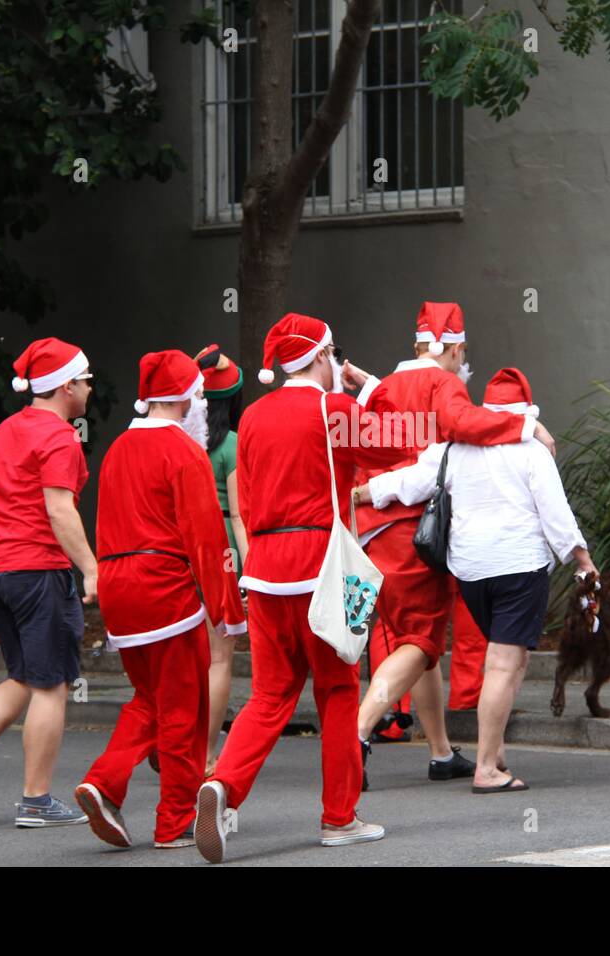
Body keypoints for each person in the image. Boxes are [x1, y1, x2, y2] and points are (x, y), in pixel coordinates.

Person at [194, 312, 406, 863]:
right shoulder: (334, 408)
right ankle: (340, 818)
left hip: (264, 566)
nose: (337, 363)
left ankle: (224, 785)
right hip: (324, 563)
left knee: (269, 694)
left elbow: (248, 495)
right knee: (337, 691)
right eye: (334, 354)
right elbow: (399, 443)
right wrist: (372, 388)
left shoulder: (257, 417)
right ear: (319, 357)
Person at [362, 368, 597, 793]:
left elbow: (409, 482)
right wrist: (581, 559)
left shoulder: (455, 448)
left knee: (509, 662)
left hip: (471, 573)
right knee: (504, 665)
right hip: (518, 568)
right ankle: (487, 767)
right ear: (526, 411)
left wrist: (361, 492)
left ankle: (495, 750)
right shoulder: (531, 450)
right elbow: (555, 513)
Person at [353, 301, 554, 788]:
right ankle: (353, 734)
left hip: (371, 525)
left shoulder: (379, 387)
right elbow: (465, 426)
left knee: (418, 642)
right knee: (421, 642)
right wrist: (527, 427)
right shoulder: (444, 383)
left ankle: (442, 751)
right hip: (415, 529)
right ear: (456, 348)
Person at [75, 350, 246, 848]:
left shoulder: (119, 449)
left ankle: (104, 782)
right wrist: (227, 609)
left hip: (119, 587)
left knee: (148, 698)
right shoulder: (185, 452)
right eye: (197, 395)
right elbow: (206, 539)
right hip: (164, 586)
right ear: (190, 399)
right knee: (183, 707)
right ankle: (172, 821)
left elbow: (105, 523)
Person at [0, 337, 96, 828]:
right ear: (67, 385)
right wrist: (91, 568)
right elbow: (58, 508)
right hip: (36, 571)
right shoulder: (59, 437)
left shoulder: (4, 432)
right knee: (52, 685)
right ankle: (36, 800)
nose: (92, 387)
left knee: (25, 674)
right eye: (87, 378)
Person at [193, 344, 249, 775]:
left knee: (184, 656)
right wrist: (250, 572)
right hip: (223, 556)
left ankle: (177, 741)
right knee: (219, 658)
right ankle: (208, 754)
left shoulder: (180, 437)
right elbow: (240, 515)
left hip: (180, 553)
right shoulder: (231, 444)